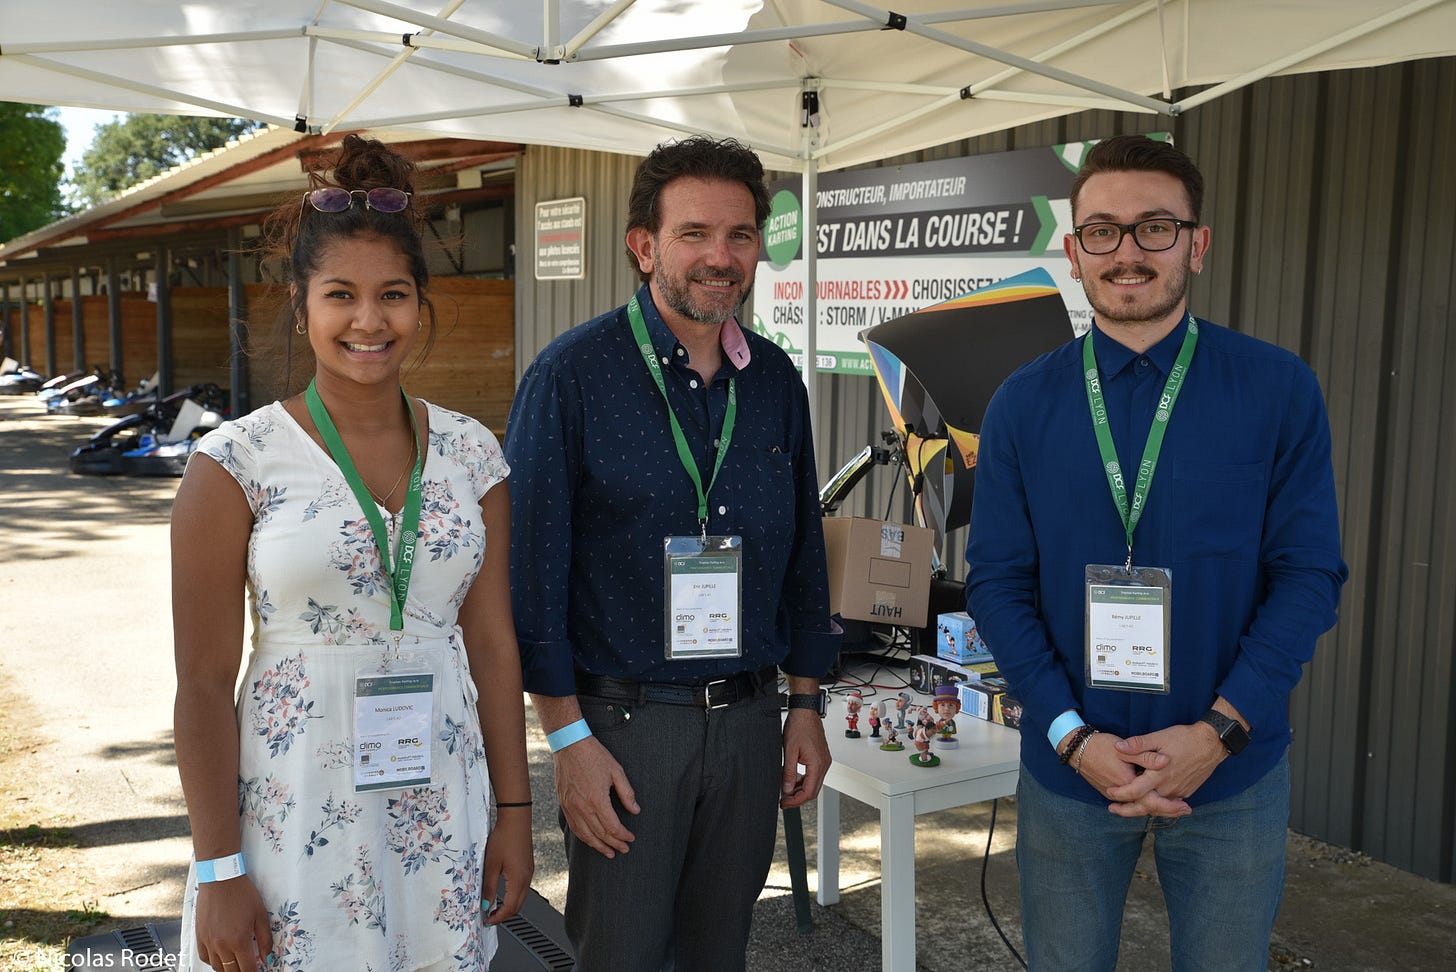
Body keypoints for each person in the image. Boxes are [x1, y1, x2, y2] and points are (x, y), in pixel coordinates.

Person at [965, 134, 1347, 970]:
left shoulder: (1277, 389)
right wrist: (1072, 738)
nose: (1128, 252)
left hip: (1229, 775)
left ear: (1196, 245)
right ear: (1074, 252)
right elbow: (995, 583)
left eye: (1156, 227)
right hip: (1071, 773)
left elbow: (1310, 575)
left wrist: (1218, 732)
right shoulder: (1022, 404)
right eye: (1102, 231)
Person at [171, 134, 534, 972]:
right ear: (302, 308)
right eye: (341, 295)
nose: (369, 321)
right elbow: (201, 685)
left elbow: (493, 646)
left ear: (420, 305)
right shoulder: (235, 462)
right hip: (292, 814)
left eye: (392, 295)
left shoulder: (473, 454)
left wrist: (515, 814)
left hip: (439, 805)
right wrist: (219, 866)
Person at [505, 135, 840, 971]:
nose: (720, 257)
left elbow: (804, 554)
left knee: (719, 954)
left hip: (749, 724)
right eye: (694, 233)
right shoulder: (572, 376)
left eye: (740, 235)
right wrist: (566, 741)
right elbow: (530, 578)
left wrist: (805, 703)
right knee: (620, 956)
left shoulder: (774, 380)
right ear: (645, 245)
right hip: (625, 729)